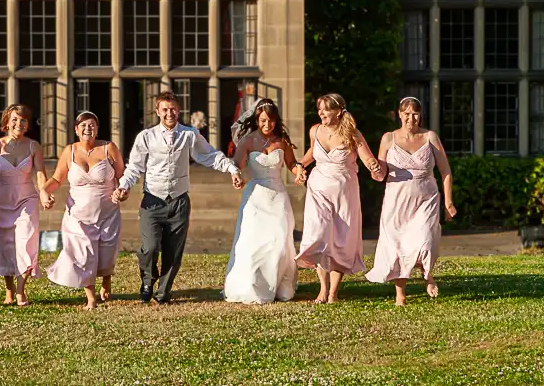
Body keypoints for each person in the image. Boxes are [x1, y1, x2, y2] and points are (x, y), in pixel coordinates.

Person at [112, 91, 245, 304]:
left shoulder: (189, 134)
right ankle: (148, 280)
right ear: (157, 111)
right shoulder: (146, 136)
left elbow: (209, 155)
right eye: (164, 109)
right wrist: (123, 187)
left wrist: (232, 169)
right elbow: (134, 167)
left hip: (179, 201)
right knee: (150, 247)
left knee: (173, 251)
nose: (169, 113)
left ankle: (163, 291)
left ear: (179, 110)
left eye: (173, 109)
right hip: (152, 201)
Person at [366, 97, 457, 305]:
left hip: (426, 198)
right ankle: (400, 294)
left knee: (425, 239)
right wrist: (375, 170)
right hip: (396, 200)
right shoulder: (388, 138)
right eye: (406, 114)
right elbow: (379, 176)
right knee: (397, 245)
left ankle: (427, 275)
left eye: (415, 113)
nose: (411, 118)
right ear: (399, 115)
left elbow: (445, 172)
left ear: (420, 115)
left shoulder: (430, 137)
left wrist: (449, 202)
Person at [295, 93, 384, 304]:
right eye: (320, 109)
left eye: (326, 109)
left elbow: (367, 157)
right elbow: (311, 152)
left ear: (339, 111)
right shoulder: (315, 130)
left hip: (344, 191)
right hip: (318, 189)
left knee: (340, 240)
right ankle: (322, 289)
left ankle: (333, 292)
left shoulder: (352, 134)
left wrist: (373, 165)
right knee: (318, 234)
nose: (321, 113)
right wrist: (300, 165)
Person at [223, 98, 305, 304]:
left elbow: (291, 163)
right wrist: (237, 177)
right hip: (256, 197)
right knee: (253, 242)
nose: (267, 125)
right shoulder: (248, 141)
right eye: (263, 121)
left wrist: (299, 171)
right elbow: (238, 165)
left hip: (278, 196)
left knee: (279, 239)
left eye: (271, 121)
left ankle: (279, 286)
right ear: (256, 120)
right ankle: (252, 286)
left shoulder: (282, 141)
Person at [42, 111, 125, 310]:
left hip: (107, 213)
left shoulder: (108, 148)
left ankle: (106, 279)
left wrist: (122, 191)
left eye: (92, 125)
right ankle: (91, 298)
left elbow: (123, 176)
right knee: (83, 255)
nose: (88, 128)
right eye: (83, 125)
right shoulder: (69, 151)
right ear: (76, 129)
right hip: (77, 216)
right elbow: (56, 179)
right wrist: (44, 191)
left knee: (106, 254)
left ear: (97, 129)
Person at [0, 104, 49, 307]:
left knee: (26, 241)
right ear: (6, 123)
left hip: (27, 198)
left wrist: (43, 192)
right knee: (5, 245)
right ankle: (9, 291)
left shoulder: (34, 146)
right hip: (3, 200)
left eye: (23, 120)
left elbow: (41, 173)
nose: (19, 123)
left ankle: (20, 291)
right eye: (15, 119)